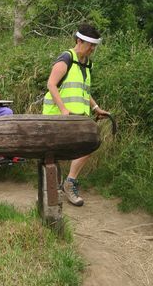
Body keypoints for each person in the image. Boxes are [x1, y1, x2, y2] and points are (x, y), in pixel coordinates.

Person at [42, 23, 109, 206]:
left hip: (78, 116)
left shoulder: (87, 63)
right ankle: (51, 192)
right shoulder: (66, 59)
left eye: (94, 45)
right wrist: (63, 110)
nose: (92, 49)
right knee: (53, 155)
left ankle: (69, 183)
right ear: (79, 41)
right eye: (90, 45)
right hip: (57, 116)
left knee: (89, 144)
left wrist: (96, 108)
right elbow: (51, 84)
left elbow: (83, 90)